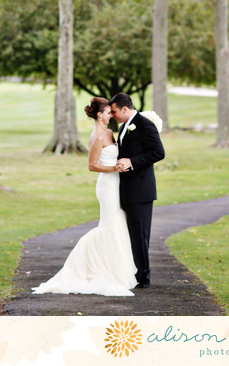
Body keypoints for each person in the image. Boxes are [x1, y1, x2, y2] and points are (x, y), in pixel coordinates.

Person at [32, 97, 137, 296]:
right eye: (108, 113)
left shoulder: (109, 132)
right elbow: (92, 165)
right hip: (107, 185)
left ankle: (115, 268)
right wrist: (114, 168)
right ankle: (91, 264)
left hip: (117, 182)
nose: (111, 116)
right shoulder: (96, 137)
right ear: (99, 114)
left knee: (116, 222)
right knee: (108, 224)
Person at [110, 92, 165, 288]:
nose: (113, 115)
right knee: (131, 234)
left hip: (141, 190)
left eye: (115, 111)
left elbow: (159, 152)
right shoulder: (125, 126)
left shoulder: (144, 124)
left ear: (125, 109)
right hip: (127, 189)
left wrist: (132, 162)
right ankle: (134, 273)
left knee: (140, 235)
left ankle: (144, 278)